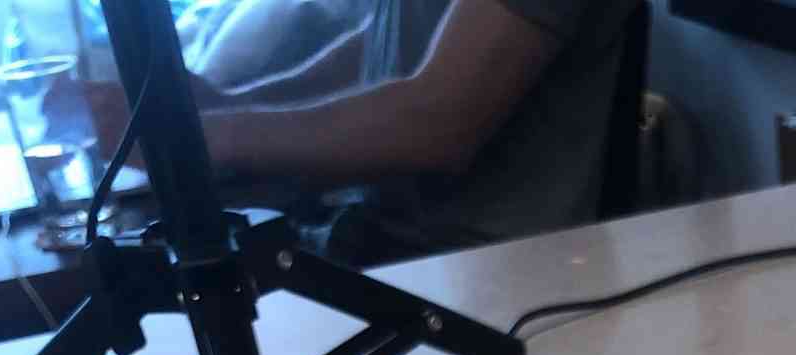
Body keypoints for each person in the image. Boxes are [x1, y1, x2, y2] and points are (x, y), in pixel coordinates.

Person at [75, 0, 641, 262]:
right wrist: (230, 104)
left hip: (483, 274)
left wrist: (201, 140)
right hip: (381, 241)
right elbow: (383, 44)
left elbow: (437, 124)